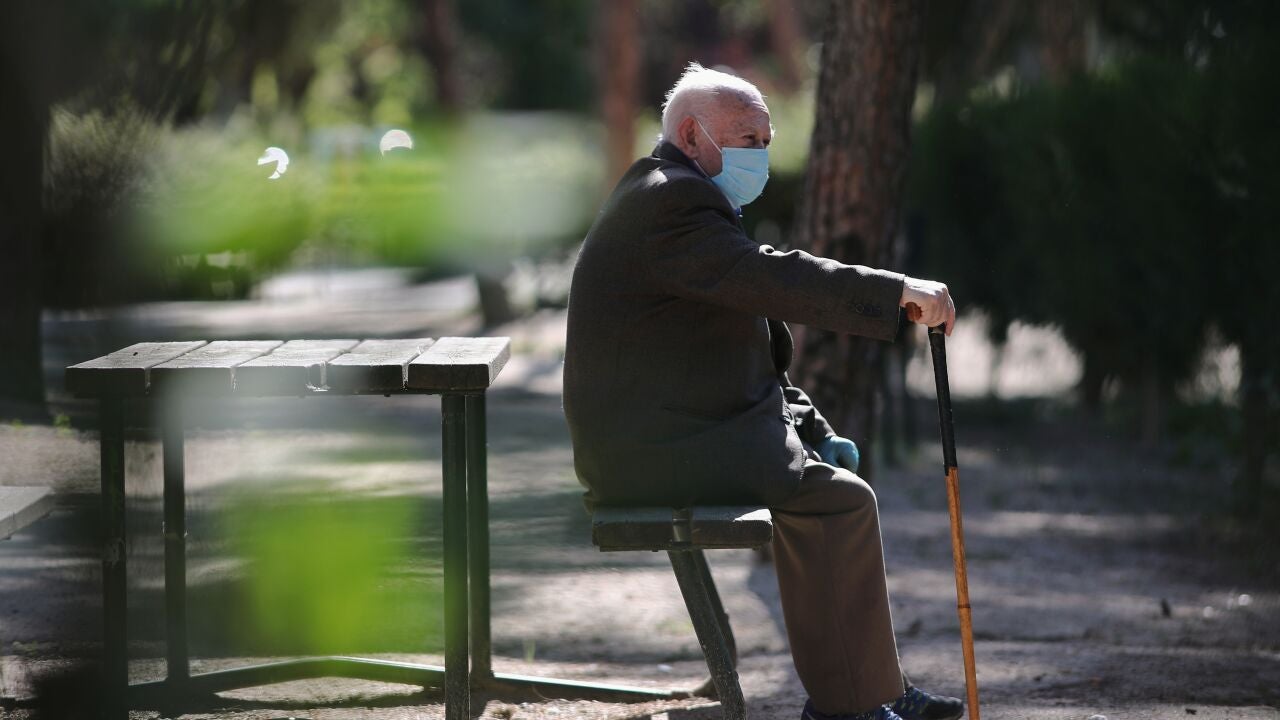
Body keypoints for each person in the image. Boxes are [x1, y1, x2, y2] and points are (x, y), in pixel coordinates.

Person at [563, 62, 962, 720]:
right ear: (692, 136)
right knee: (840, 503)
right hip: (651, 452)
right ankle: (854, 705)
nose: (763, 155)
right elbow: (777, 279)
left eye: (767, 140)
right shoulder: (672, 202)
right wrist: (896, 292)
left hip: (668, 436)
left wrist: (813, 428)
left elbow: (741, 353)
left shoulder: (673, 192)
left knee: (831, 495)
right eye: (748, 139)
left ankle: (868, 695)